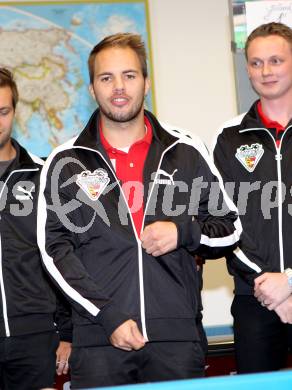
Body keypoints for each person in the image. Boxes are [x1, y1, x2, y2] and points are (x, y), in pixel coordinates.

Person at [37, 33, 241, 389]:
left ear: (146, 83)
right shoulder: (65, 162)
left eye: (129, 75)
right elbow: (53, 251)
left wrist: (183, 232)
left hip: (176, 342)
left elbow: (230, 226)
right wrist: (109, 316)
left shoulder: (185, 150)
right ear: (91, 89)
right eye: (106, 77)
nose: (119, 87)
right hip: (99, 341)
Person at [213, 22, 292, 374]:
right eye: (257, 63)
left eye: (276, 60)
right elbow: (221, 223)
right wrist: (269, 283)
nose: (266, 71)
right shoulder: (228, 139)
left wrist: (289, 281)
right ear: (247, 69)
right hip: (254, 297)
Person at [0, 68, 72, 390]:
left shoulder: (44, 176)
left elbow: (64, 255)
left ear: (15, 111)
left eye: (2, 111)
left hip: (35, 337)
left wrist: (68, 333)